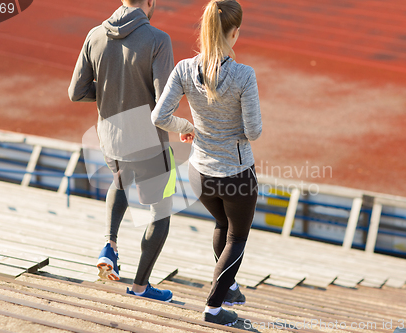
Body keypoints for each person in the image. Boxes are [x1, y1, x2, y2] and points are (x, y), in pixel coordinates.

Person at [152, 0, 261, 325]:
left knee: (222, 226)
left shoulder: (185, 68)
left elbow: (159, 116)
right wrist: (230, 133)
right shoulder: (244, 75)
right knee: (236, 237)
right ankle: (214, 307)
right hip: (236, 174)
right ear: (234, 33)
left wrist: (188, 128)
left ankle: (227, 288)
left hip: (199, 173)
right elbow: (254, 131)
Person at [68, 0, 176, 302]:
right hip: (150, 144)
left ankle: (109, 246)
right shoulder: (158, 40)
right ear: (150, 2)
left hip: (110, 139)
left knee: (120, 181)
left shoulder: (94, 35)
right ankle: (141, 285)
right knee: (161, 211)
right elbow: (163, 101)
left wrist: (107, 93)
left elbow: (76, 92)